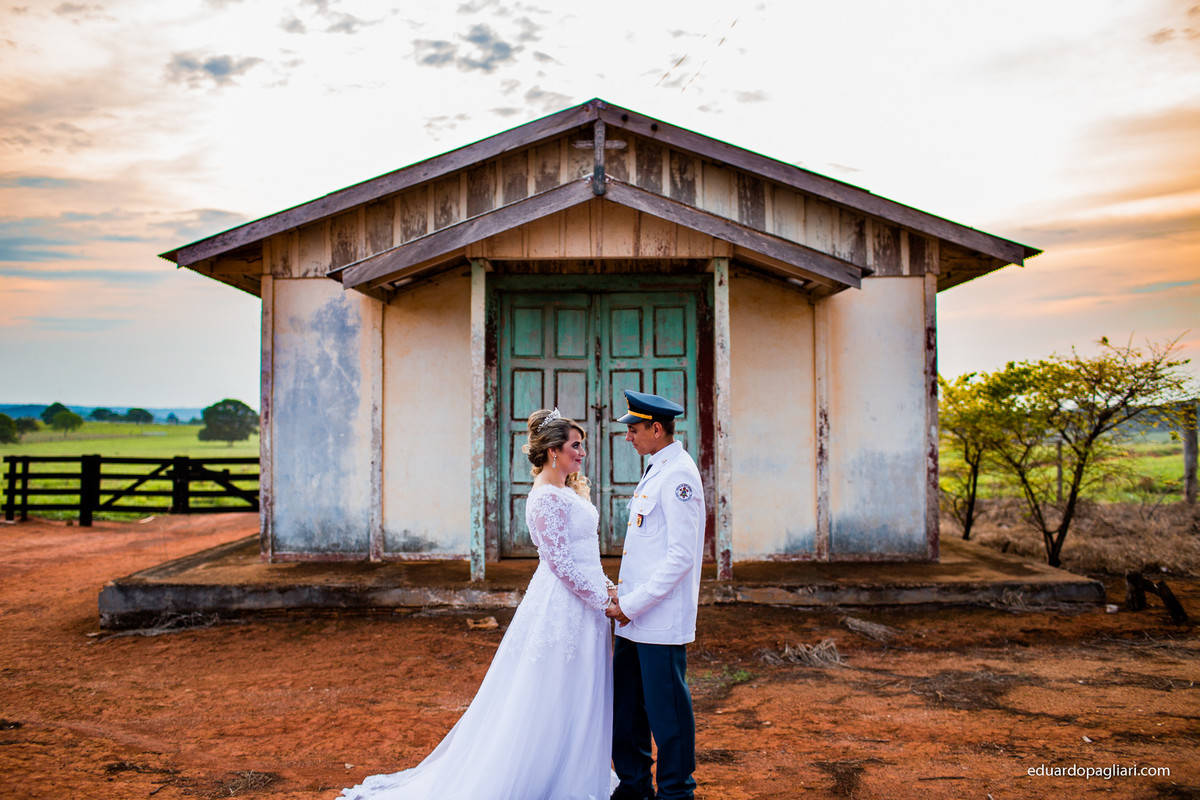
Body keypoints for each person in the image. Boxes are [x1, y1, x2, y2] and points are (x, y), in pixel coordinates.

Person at [339, 408, 618, 800]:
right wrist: (601, 599)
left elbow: (586, 554)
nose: (582, 452)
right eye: (576, 445)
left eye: (581, 446)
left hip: (588, 606)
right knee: (554, 691)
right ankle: (545, 778)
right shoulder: (544, 498)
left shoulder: (568, 492)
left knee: (581, 688)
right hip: (565, 606)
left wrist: (609, 588)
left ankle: (577, 773)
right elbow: (560, 563)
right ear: (554, 450)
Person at [606, 390, 706, 800]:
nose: (628, 436)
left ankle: (675, 793)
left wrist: (631, 605)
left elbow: (681, 555)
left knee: (668, 717)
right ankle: (633, 788)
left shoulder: (679, 474)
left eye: (634, 428)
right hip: (634, 617)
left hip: (658, 619)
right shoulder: (657, 468)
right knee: (628, 709)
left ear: (656, 428)